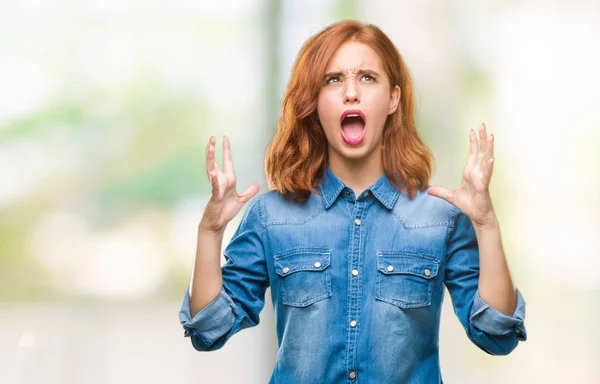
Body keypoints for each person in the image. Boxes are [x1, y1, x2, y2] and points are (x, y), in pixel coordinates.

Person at [178, 20, 527, 383]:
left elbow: (498, 334)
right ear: (314, 101)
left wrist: (486, 225)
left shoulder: (440, 218)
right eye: (333, 80)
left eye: (367, 78)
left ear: (393, 98)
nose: (350, 93)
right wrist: (211, 231)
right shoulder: (271, 216)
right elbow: (209, 329)